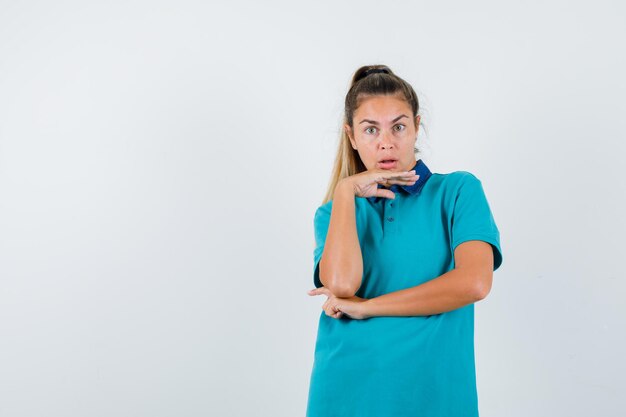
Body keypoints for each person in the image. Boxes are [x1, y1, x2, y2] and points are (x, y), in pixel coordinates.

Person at [305, 65, 503, 417]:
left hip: (435, 396)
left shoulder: (458, 191)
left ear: (416, 126)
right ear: (351, 136)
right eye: (370, 130)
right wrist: (346, 189)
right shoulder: (334, 212)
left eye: (398, 126)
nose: (386, 142)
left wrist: (367, 307)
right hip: (345, 393)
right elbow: (342, 284)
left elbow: (474, 283)